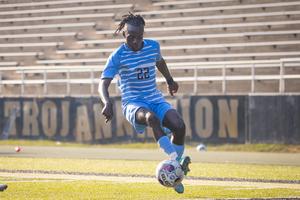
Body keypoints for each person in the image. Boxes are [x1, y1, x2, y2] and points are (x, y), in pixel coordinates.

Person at [99, 12, 191, 193]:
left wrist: (170, 80)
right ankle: (173, 160)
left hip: (155, 98)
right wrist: (107, 102)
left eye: (139, 37)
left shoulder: (152, 46)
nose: (135, 42)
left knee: (179, 126)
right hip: (133, 104)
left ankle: (174, 170)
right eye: (131, 37)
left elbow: (160, 62)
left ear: (143, 34)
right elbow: (103, 83)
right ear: (124, 34)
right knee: (152, 118)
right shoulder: (117, 56)